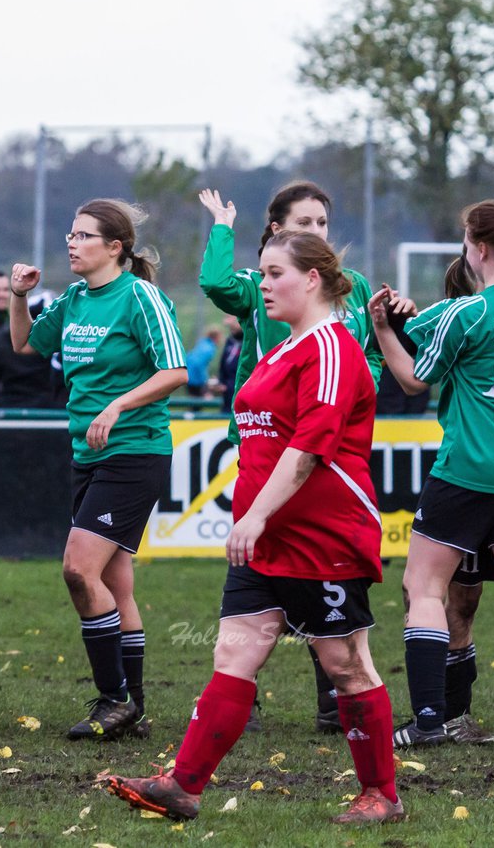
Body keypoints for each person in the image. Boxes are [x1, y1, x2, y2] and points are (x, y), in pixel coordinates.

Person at [108, 231, 403, 825]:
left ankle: (381, 795)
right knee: (234, 651)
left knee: (346, 664)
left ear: (313, 279)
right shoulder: (281, 348)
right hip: (265, 537)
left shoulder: (331, 349)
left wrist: (257, 514)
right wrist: (257, 519)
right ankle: (184, 785)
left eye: (274, 273)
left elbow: (310, 449)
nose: (262, 284)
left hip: (324, 538)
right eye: (261, 273)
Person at [198, 184, 399, 733]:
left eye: (321, 223)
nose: (315, 234)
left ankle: (344, 716)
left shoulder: (347, 301)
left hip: (314, 473)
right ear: (275, 231)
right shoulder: (270, 298)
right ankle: (187, 779)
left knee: (341, 654)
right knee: (236, 649)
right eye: (302, 223)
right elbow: (215, 281)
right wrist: (222, 225)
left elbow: (366, 363)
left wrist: (362, 390)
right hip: (268, 463)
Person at [370, 201, 494, 751]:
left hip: (468, 471)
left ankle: (430, 719)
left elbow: (411, 380)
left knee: (423, 586)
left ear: (478, 248)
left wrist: (384, 325)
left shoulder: (468, 312)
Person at [8, 199, 187, 740]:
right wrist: (19, 297)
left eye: (83, 234)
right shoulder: (74, 299)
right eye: (70, 231)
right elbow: (24, 344)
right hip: (88, 455)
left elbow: (175, 371)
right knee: (114, 581)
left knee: (78, 570)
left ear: (115, 248)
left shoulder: (140, 296)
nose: (71, 241)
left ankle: (114, 699)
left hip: (134, 452)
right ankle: (133, 708)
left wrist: (117, 406)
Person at [184, 326, 222, 397]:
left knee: (193, 402)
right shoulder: (210, 349)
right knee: (198, 402)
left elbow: (189, 357)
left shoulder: (202, 343)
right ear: (216, 337)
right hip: (195, 379)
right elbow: (198, 364)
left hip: (188, 376)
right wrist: (205, 381)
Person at [218, 314, 243, 412]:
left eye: (229, 317)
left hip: (240, 397)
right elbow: (223, 366)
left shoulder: (249, 341)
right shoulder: (230, 341)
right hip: (227, 400)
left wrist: (229, 386)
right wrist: (221, 383)